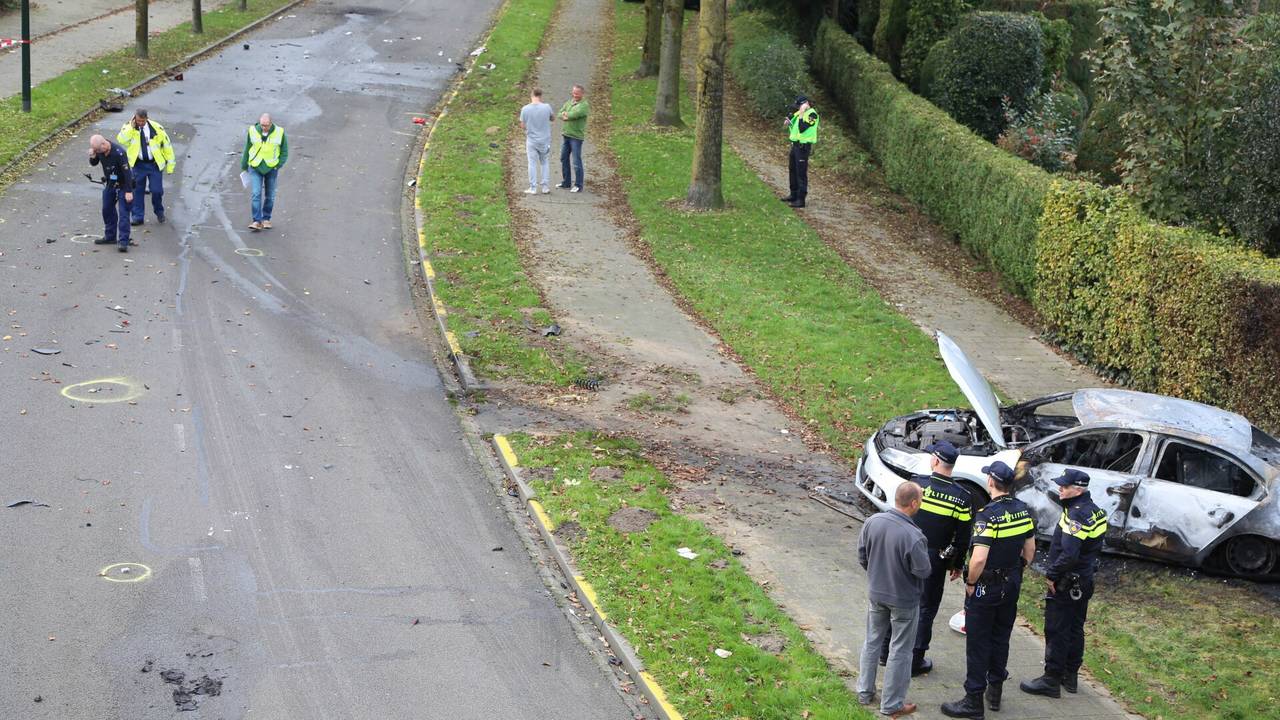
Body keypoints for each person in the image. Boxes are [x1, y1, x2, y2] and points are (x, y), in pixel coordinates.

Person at [941, 461, 1036, 719]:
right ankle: (994, 692)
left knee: (978, 642)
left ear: (991, 482)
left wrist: (971, 583)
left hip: (987, 588)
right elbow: (1029, 551)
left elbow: (979, 559)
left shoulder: (987, 515)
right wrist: (1015, 572)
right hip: (1011, 585)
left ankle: (973, 701)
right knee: (1000, 637)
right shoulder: (1023, 511)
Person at [881, 441, 973, 675]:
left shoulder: (917, 485)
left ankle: (884, 653)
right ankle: (915, 660)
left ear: (934, 461)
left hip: (903, 551)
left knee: (895, 600)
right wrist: (957, 565)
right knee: (926, 609)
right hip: (934, 559)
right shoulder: (962, 497)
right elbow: (963, 538)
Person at [1020, 468, 1106, 698]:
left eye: (1064, 487)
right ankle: (1070, 676)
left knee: (1057, 629)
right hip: (1084, 580)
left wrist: (1052, 575)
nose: (1060, 489)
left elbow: (1069, 555)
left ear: (1077, 490)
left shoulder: (1075, 515)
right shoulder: (1096, 512)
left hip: (1067, 582)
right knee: (1075, 628)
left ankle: (1051, 680)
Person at [856, 481, 932, 718]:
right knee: (900, 649)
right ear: (913, 503)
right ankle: (892, 704)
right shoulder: (914, 536)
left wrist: (877, 574)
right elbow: (923, 571)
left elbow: (862, 555)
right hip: (904, 600)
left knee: (872, 640)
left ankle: (864, 691)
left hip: (876, 593)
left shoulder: (872, 522)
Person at [116, 108, 176, 226]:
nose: (141, 124)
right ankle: (138, 217)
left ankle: (159, 211)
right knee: (137, 191)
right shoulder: (129, 128)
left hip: (154, 165)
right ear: (135, 118)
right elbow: (121, 139)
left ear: (147, 119)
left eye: (143, 121)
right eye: (138, 121)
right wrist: (131, 127)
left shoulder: (156, 128)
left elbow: (167, 146)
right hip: (138, 165)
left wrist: (170, 165)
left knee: (156, 191)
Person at [241, 113, 288, 231]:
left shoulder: (279, 132)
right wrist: (244, 165)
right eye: (262, 125)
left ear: (271, 123)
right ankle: (256, 221)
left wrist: (278, 164)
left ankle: (266, 219)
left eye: (266, 125)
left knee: (270, 195)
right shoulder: (252, 130)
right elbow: (247, 148)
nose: (264, 128)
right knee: (256, 193)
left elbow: (284, 150)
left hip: (271, 167)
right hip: (255, 166)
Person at [88, 134, 135, 253]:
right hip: (110, 183)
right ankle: (110, 236)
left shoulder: (119, 153)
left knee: (124, 213)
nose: (98, 152)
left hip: (124, 184)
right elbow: (94, 163)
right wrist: (93, 157)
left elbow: (127, 173)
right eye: (96, 150)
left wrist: (129, 191)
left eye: (98, 150)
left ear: (104, 144)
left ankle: (123, 241)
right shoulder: (99, 150)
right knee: (107, 209)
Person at [780, 95, 819, 208]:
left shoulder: (812, 114)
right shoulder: (799, 112)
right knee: (792, 170)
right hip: (795, 145)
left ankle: (801, 199)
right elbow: (794, 122)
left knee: (801, 173)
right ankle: (793, 194)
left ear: (806, 103)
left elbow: (802, 128)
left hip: (803, 147)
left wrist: (801, 113)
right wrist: (788, 121)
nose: (798, 108)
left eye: (799, 106)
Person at [519, 88, 554, 194]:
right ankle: (545, 187)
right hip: (544, 140)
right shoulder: (547, 107)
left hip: (531, 140)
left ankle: (533, 187)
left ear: (532, 94)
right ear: (541, 95)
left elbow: (522, 125)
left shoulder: (525, 109)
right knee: (544, 162)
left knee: (532, 163)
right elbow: (552, 118)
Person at [557, 84, 588, 193]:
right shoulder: (569, 102)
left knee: (576, 161)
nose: (574, 95)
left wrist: (567, 115)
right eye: (573, 93)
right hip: (566, 135)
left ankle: (578, 185)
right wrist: (565, 114)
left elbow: (575, 114)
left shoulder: (584, 105)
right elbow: (559, 113)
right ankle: (566, 182)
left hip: (576, 137)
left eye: (577, 93)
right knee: (563, 158)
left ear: (582, 94)